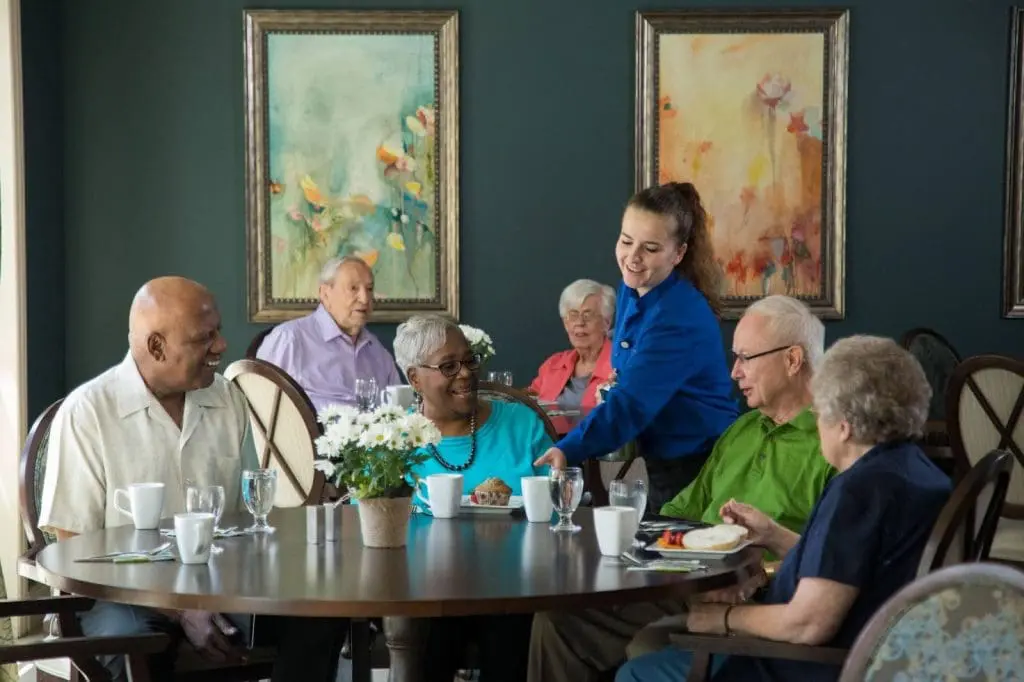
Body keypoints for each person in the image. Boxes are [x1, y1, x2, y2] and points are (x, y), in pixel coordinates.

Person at [38, 277, 346, 682]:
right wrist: (180, 609)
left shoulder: (227, 399)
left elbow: (241, 520)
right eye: (205, 337)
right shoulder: (89, 412)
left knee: (319, 615)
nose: (222, 346)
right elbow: (72, 547)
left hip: (216, 584)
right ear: (156, 346)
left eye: (218, 331)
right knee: (128, 643)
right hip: (116, 596)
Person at [527, 295, 835, 682]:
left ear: (792, 360)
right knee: (559, 621)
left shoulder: (832, 445)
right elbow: (679, 513)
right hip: (687, 583)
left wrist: (762, 573)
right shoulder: (741, 431)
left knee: (637, 648)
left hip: (761, 602)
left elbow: (833, 561)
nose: (734, 372)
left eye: (746, 358)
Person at [617, 335, 952, 682]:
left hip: (803, 665)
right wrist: (773, 535)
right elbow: (847, 566)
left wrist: (723, 619)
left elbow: (808, 624)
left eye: (820, 413)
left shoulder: (857, 493)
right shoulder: (914, 470)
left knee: (635, 674)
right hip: (872, 648)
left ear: (844, 426)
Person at [536, 182, 738, 512]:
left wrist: (569, 448)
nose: (633, 257)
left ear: (679, 253)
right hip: (662, 459)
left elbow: (631, 404)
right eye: (626, 241)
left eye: (651, 248)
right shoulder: (634, 287)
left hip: (702, 462)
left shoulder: (676, 317)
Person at [393, 314, 552, 682]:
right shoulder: (391, 438)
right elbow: (367, 519)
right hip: (425, 588)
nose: (465, 373)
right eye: (449, 366)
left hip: (515, 582)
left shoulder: (520, 425)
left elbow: (557, 507)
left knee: (510, 626)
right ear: (415, 378)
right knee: (434, 627)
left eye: (469, 361)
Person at [257, 256, 401, 410]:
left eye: (369, 289)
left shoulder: (378, 352)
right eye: (353, 288)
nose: (365, 299)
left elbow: (398, 413)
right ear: (325, 293)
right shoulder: (290, 340)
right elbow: (261, 407)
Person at [528, 279, 615, 411]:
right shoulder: (553, 364)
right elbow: (528, 400)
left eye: (588, 315)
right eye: (573, 315)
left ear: (606, 323)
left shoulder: (620, 365)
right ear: (565, 323)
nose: (579, 322)